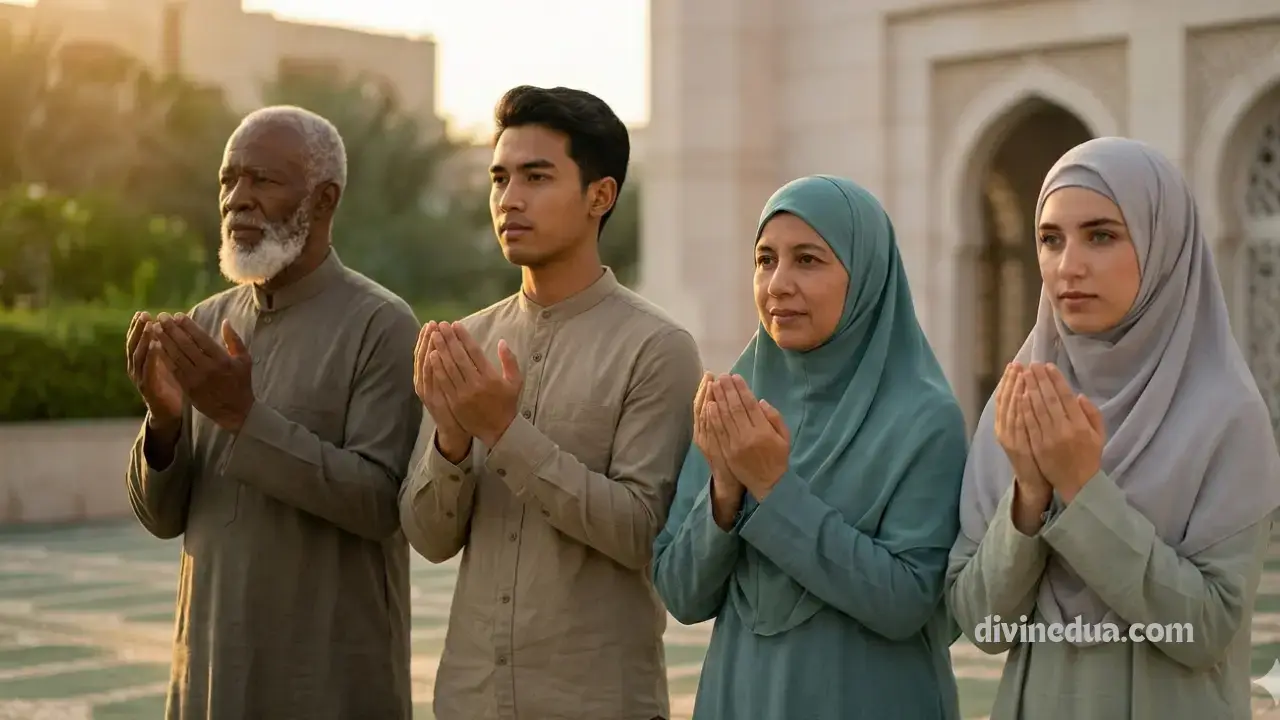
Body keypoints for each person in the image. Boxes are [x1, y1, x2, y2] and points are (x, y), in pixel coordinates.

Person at [397, 85, 703, 720]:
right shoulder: (468, 342)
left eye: (536, 177)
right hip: (471, 700)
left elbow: (641, 533)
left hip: (597, 702)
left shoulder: (657, 348)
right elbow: (428, 538)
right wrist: (451, 439)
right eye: (500, 178)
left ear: (600, 196)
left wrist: (503, 432)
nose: (509, 199)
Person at [947, 137, 1280, 719]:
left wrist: (1081, 491)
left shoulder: (1225, 414)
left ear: (1161, 244)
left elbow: (1207, 630)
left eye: (1101, 236)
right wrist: (1029, 496)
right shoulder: (1026, 397)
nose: (1068, 266)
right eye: (1051, 239)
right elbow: (983, 624)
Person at [124, 105, 421, 720]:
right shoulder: (206, 321)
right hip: (209, 669)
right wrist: (165, 423)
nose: (237, 199)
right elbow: (162, 518)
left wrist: (244, 418)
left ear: (324, 199)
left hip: (325, 681)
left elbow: (381, 504)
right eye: (228, 180)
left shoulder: (380, 325)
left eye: (262, 179)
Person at [652, 175, 969, 719]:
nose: (778, 284)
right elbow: (682, 596)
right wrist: (725, 490)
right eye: (765, 260)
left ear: (865, 274)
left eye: (808, 260)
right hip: (740, 697)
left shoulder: (923, 419)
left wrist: (773, 489)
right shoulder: (738, 403)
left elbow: (908, 603)